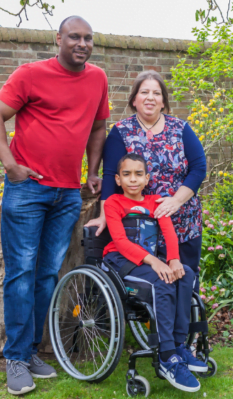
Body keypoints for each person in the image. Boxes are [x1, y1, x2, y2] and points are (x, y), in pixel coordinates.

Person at [0, 16, 109, 396]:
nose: (82, 43)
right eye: (75, 36)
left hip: (67, 194)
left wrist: (92, 170)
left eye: (88, 38)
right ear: (58, 39)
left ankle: (32, 350)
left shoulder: (97, 79)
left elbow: (99, 126)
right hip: (28, 190)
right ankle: (16, 359)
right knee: (21, 272)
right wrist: (11, 166)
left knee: (47, 275)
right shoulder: (30, 74)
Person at [86, 70, 207, 294]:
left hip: (182, 222)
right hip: (140, 227)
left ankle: (188, 327)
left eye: (156, 93)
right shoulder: (121, 132)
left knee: (186, 278)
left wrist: (176, 202)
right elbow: (111, 175)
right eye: (144, 92)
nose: (150, 97)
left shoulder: (181, 129)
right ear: (134, 100)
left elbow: (199, 168)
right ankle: (160, 327)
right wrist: (104, 214)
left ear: (163, 102)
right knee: (155, 284)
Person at [103, 153, 207, 392]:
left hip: (150, 260)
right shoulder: (113, 203)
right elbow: (120, 241)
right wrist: (156, 263)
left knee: (186, 275)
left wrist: (173, 260)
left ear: (147, 178)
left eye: (138, 174)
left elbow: (169, 233)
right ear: (118, 179)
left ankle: (179, 344)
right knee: (161, 282)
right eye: (127, 174)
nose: (133, 179)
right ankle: (166, 355)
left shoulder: (156, 202)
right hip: (121, 259)